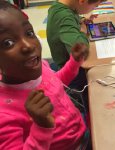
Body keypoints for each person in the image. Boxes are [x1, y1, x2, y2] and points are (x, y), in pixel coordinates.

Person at [0, 1, 90, 149]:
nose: (28, 46)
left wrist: (74, 61)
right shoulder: (4, 114)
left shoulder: (40, 66)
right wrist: (41, 126)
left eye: (29, 33)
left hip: (80, 132)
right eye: (8, 43)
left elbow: (55, 82)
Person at [46, 0, 106, 112]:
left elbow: (72, 18)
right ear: (82, 1)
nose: (94, 8)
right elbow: (80, 48)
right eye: (94, 6)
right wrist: (83, 31)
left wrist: (81, 21)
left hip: (66, 65)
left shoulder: (60, 6)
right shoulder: (64, 16)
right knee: (102, 79)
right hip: (70, 72)